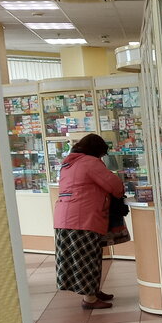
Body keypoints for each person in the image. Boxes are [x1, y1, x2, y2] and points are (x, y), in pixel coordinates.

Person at [53, 133, 125, 310]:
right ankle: (90, 299)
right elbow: (115, 185)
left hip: (65, 218)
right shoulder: (89, 162)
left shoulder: (69, 162)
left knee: (84, 257)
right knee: (88, 259)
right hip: (82, 218)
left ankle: (93, 291)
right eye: (102, 153)